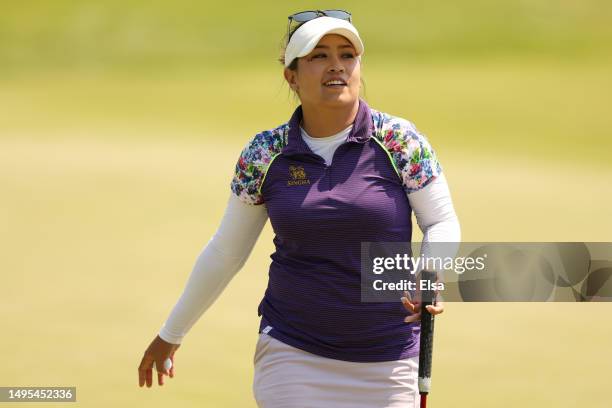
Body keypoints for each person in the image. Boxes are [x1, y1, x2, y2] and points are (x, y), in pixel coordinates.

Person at [138, 9, 460, 408]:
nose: (336, 66)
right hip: (293, 352)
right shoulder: (264, 153)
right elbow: (227, 251)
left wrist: (427, 276)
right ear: (291, 75)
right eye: (319, 56)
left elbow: (440, 221)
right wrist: (173, 332)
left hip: (387, 358)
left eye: (347, 55)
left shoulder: (399, 141)